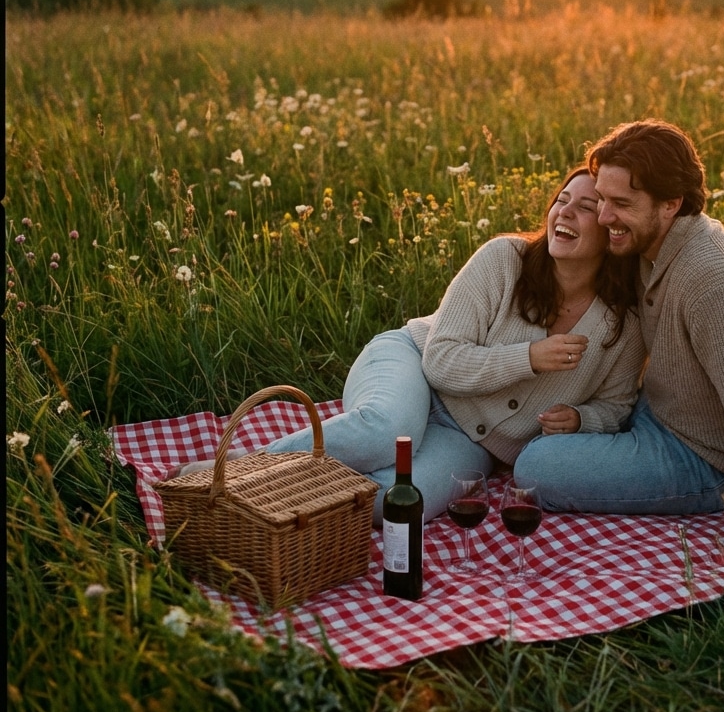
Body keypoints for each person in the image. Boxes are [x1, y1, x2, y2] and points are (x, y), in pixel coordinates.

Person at [172, 168, 645, 527]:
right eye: (561, 200)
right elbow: (440, 360)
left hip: (469, 440)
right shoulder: (505, 259)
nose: (564, 212)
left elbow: (617, 406)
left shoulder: (620, 324)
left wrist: (583, 419)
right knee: (387, 432)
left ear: (610, 228)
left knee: (401, 501)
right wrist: (525, 359)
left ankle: (266, 509)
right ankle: (235, 473)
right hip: (413, 364)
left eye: (585, 207)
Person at [514, 121, 724, 575]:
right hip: (658, 412)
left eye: (621, 204)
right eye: (603, 199)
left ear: (671, 204)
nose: (605, 217)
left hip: (706, 460)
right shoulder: (649, 245)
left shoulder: (716, 283)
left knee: (536, 468)